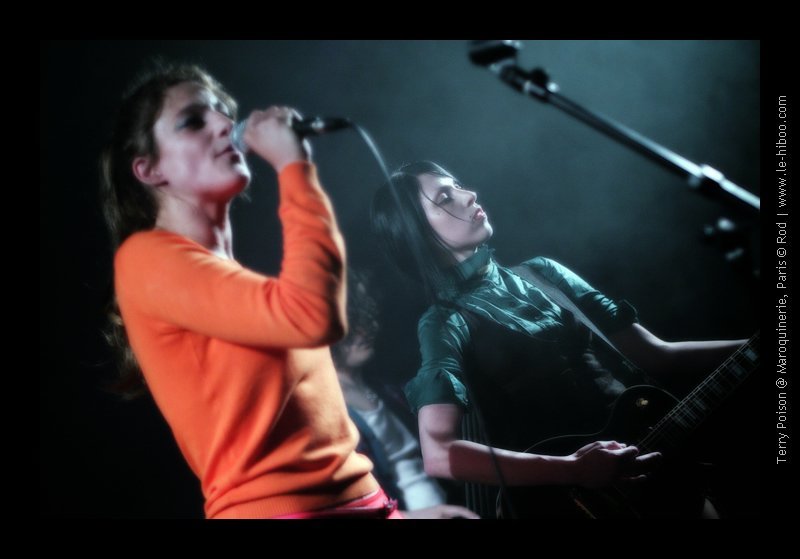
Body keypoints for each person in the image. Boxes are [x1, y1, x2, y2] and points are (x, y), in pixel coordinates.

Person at [100, 62, 398, 519]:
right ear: (150, 169)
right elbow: (313, 315)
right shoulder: (144, 259)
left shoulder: (236, 284)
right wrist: (294, 168)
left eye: (223, 111)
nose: (225, 124)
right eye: (193, 121)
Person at [369, 161, 748, 518]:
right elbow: (439, 453)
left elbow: (654, 354)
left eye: (458, 186)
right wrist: (574, 469)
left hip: (655, 468)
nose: (469, 195)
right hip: (571, 503)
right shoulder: (444, 322)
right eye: (445, 198)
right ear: (417, 234)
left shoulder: (544, 273)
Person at [331, 269, 479, 519]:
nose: (366, 330)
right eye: (353, 323)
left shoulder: (387, 390)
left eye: (368, 317)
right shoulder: (327, 411)